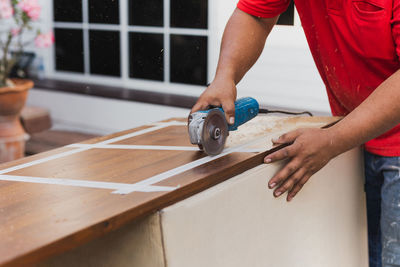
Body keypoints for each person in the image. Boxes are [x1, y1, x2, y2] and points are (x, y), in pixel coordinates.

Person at [190, 1, 400, 266]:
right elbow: (256, 16)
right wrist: (225, 76)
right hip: (358, 134)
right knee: (362, 256)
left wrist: (333, 139)